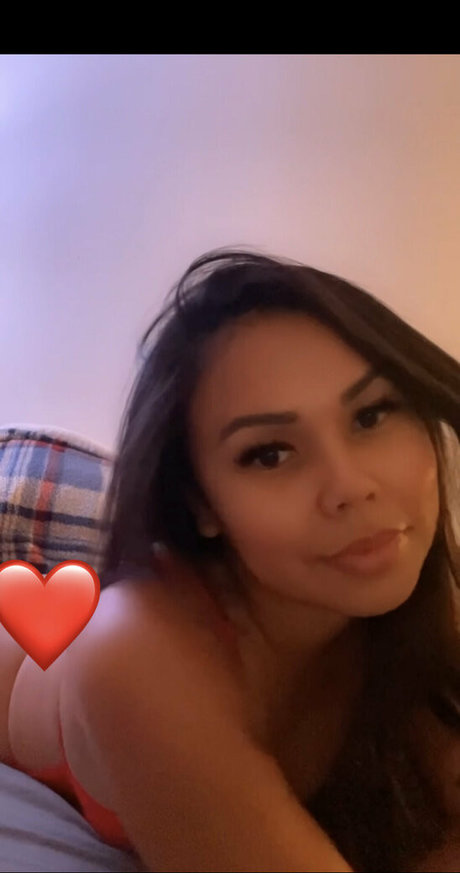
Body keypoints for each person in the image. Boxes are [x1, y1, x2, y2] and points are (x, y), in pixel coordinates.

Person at [2, 248, 460, 872]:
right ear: (201, 503)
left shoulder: (409, 613)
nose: (352, 486)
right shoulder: (137, 653)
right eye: (269, 453)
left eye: (372, 414)